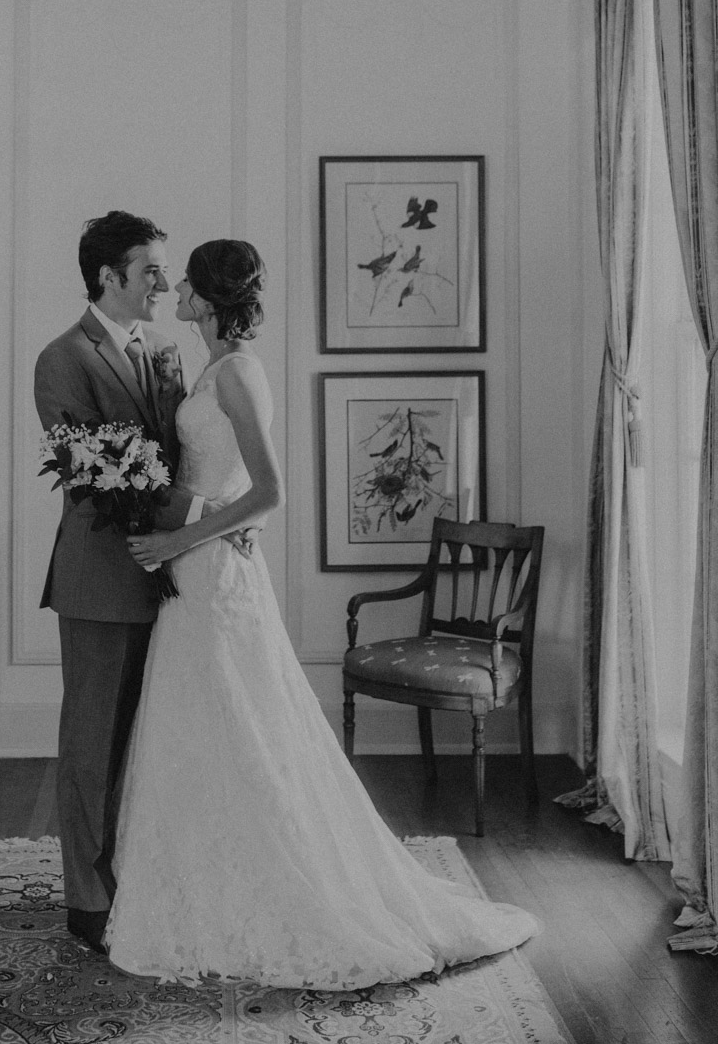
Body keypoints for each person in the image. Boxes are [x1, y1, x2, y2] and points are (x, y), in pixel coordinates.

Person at [107, 238, 540, 988]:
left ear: (206, 298)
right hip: (202, 564)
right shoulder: (211, 367)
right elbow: (225, 485)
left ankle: (272, 885)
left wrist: (180, 535)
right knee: (205, 722)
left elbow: (270, 492)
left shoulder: (236, 373)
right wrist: (186, 514)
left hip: (213, 572)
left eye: (185, 284)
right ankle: (210, 876)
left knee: (238, 720)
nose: (174, 291)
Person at [34, 211, 204, 956]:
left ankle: (142, 877)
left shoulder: (165, 351)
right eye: (151, 270)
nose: (165, 283)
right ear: (109, 277)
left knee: (152, 741)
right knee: (92, 745)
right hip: (99, 581)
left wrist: (205, 524)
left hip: (175, 571)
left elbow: (180, 454)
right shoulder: (62, 359)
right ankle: (88, 901)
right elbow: (100, 476)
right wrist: (208, 513)